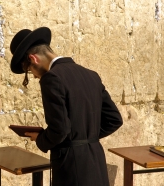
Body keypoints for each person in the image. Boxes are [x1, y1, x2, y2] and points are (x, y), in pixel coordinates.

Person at [9, 26, 123, 186]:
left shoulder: (51, 78)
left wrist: (41, 139)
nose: (34, 76)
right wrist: (84, 137)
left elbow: (60, 130)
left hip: (72, 168)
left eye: (29, 70)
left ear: (33, 59)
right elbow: (114, 119)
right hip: (96, 162)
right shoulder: (91, 75)